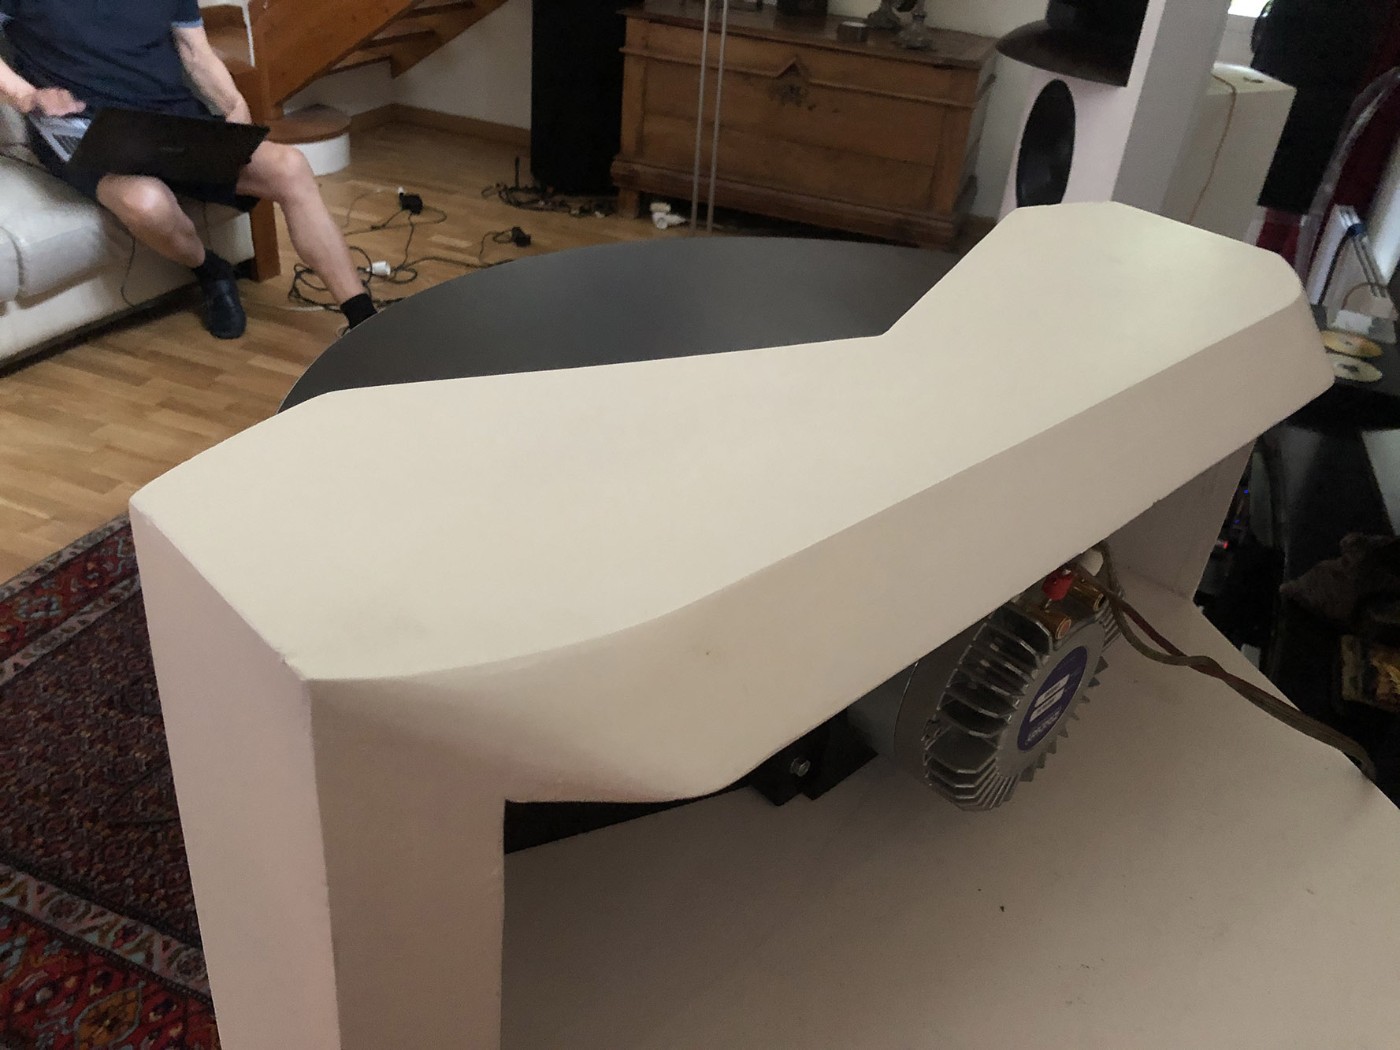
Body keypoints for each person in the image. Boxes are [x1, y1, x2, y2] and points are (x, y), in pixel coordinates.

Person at [0, 0, 375, 339]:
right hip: (84, 129)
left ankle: (362, 319)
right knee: (147, 202)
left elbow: (196, 52)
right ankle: (211, 270)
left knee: (289, 166)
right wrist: (27, 95)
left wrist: (235, 110)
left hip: (171, 118)